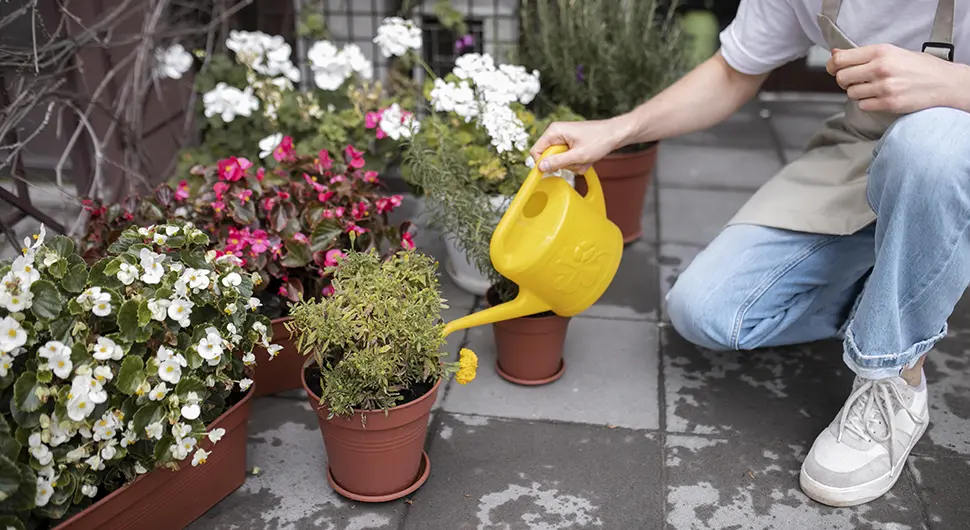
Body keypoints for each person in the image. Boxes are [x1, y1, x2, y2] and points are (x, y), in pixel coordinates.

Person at [530, 0, 970, 508]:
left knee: (931, 150)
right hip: (866, 145)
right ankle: (907, 271)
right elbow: (732, 73)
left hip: (951, 149)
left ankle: (893, 375)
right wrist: (616, 130)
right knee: (707, 312)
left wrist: (953, 85)